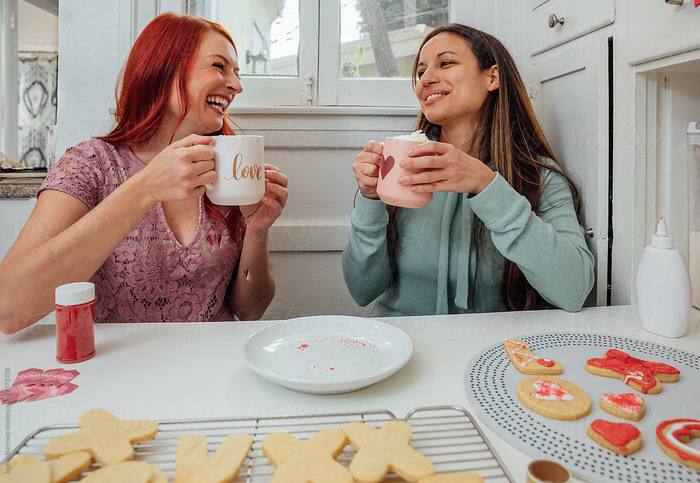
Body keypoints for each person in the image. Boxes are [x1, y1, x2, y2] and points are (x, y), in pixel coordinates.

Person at [0, 13, 288, 334]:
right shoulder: (90, 164)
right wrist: (145, 188)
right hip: (116, 370)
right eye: (219, 66)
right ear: (162, 70)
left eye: (236, 72)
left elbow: (250, 311)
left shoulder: (230, 170)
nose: (236, 85)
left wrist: (258, 228)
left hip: (213, 367)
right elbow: (9, 309)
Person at [342, 23, 594, 316]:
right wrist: (369, 200)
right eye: (421, 72)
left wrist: (486, 186)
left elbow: (574, 289)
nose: (425, 80)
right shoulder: (400, 168)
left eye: (445, 63)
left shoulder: (538, 177)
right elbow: (362, 291)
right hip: (402, 346)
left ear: (493, 77)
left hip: (491, 355)